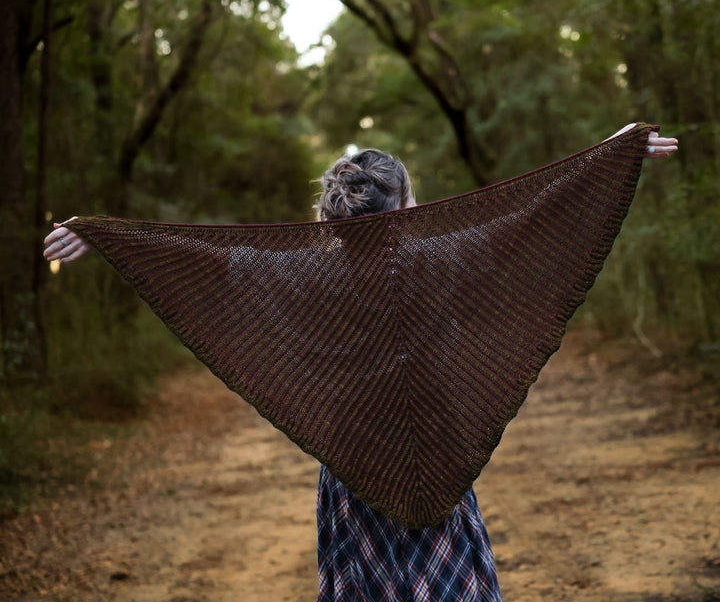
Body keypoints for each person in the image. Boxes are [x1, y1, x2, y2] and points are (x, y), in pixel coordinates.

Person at [44, 125, 678, 602]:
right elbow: (533, 218)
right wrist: (614, 157)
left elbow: (203, 256)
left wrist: (102, 235)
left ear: (331, 214)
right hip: (439, 448)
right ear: (406, 205)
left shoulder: (299, 268)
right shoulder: (445, 254)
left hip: (354, 460)